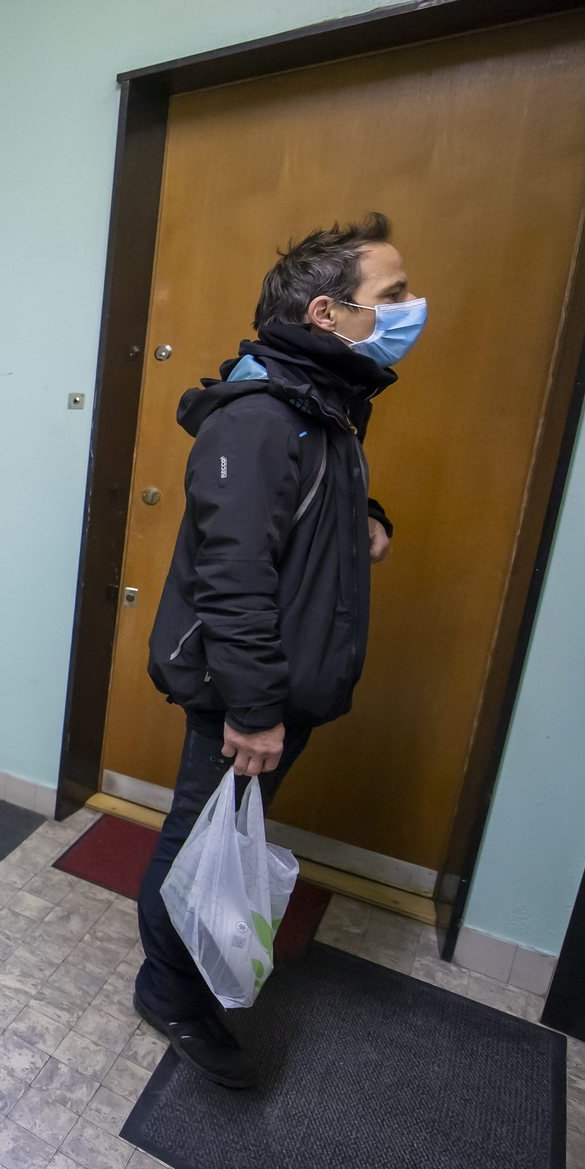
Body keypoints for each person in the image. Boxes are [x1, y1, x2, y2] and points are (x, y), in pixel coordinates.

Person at [132, 212, 425, 1088]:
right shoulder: (262, 415)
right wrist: (254, 709)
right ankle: (169, 992)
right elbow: (233, 574)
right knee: (200, 841)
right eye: (394, 294)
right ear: (329, 313)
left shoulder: (323, 402)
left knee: (227, 835)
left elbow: (303, 510)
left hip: (283, 683)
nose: (411, 308)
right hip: (246, 688)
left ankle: (191, 967)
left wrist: (364, 519)